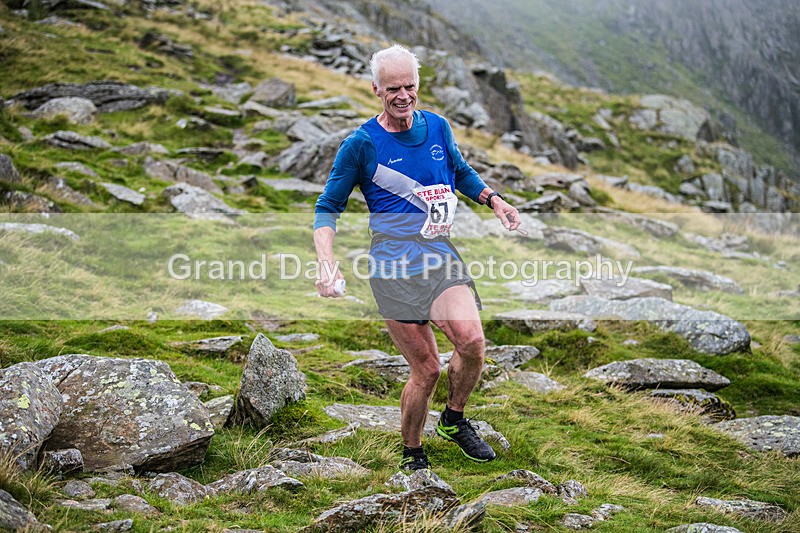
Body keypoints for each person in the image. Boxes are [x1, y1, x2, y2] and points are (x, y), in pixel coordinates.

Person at [313, 44, 521, 471]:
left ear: (418, 85)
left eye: (409, 86)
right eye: (393, 88)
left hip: (440, 255)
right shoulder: (360, 145)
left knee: (473, 343)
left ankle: (453, 419)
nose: (403, 95)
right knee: (426, 370)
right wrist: (325, 260)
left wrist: (494, 200)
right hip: (393, 267)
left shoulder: (439, 127)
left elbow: (460, 171)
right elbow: (326, 208)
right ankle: (412, 453)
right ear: (376, 89)